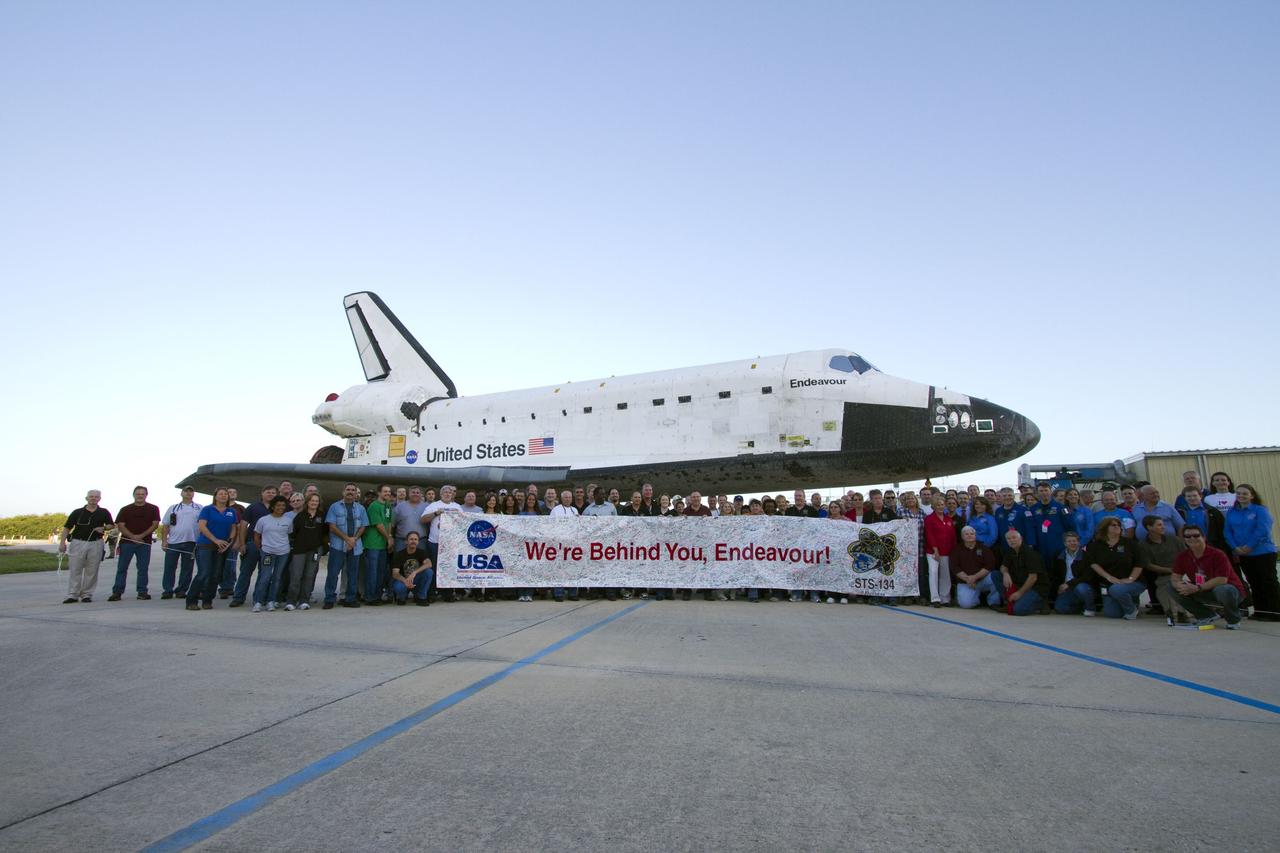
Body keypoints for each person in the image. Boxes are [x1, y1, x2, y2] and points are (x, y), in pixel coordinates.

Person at [1170, 524, 1245, 629]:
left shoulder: (1218, 554)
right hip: (1202, 589)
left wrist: (1197, 588)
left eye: (1196, 535)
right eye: (1188, 536)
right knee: (1170, 587)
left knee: (1225, 589)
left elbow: (1222, 580)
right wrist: (1180, 585)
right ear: (1184, 540)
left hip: (1229, 591)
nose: (1192, 538)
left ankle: (1233, 620)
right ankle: (1206, 616)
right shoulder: (1182, 556)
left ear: (1204, 537)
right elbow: (1175, 577)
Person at [1225, 485, 1278, 622]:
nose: (1241, 496)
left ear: (1252, 495)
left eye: (1245, 493)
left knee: (1268, 582)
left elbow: (1263, 530)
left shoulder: (1260, 510)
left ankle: (1275, 611)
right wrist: (1235, 547)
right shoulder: (1232, 512)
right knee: (1254, 582)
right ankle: (1261, 611)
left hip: (1263, 552)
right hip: (1244, 555)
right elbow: (1227, 531)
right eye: (1238, 493)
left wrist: (1249, 546)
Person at [187, 487, 240, 611]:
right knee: (204, 573)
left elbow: (233, 528)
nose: (223, 496)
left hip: (222, 548)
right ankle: (191, 600)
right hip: (206, 546)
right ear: (215, 496)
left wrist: (228, 543)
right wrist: (216, 540)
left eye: (225, 494)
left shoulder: (231, 511)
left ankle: (207, 600)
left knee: (216, 575)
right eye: (220, 494)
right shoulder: (207, 509)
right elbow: (202, 526)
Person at [58, 489, 114, 603]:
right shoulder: (77, 512)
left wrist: (103, 528)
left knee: (92, 570)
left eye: (96, 497)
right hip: (78, 542)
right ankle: (73, 594)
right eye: (91, 496)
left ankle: (87, 594)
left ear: (99, 499)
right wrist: (62, 542)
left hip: (96, 543)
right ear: (86, 498)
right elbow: (67, 528)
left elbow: (111, 525)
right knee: (75, 569)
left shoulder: (104, 512)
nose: (93, 498)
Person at [1086, 517, 1144, 620]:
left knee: (1117, 589)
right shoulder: (1095, 545)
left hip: (1132, 582)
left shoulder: (1130, 543)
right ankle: (1127, 601)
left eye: (1118, 525)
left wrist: (1131, 579)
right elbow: (1093, 564)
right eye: (1113, 525)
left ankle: (1131, 610)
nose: (1117, 527)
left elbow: (1139, 564)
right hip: (1108, 584)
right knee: (1112, 614)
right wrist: (1109, 577)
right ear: (1105, 528)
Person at [110, 486, 160, 601]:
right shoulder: (125, 509)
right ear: (134, 495)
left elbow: (155, 524)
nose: (140, 496)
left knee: (143, 568)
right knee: (122, 568)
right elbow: (121, 525)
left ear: (146, 495)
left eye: (142, 494)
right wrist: (133, 537)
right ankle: (117, 592)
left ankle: (142, 592)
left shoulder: (153, 508)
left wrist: (140, 536)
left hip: (144, 543)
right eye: (138, 494)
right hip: (127, 543)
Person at [230, 485, 277, 608]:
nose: (270, 494)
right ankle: (238, 597)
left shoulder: (277, 508)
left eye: (273, 493)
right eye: (268, 492)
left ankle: (259, 598)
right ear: (262, 493)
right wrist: (242, 543)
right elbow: (243, 525)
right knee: (245, 572)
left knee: (264, 574)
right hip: (252, 544)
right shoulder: (253, 507)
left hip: (269, 546)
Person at [323, 483, 369, 609]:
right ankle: (329, 599)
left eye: (353, 490)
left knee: (353, 574)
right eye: (348, 490)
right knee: (333, 573)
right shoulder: (334, 507)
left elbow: (364, 526)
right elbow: (332, 526)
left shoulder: (360, 508)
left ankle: (350, 598)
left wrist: (353, 539)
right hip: (338, 546)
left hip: (355, 545)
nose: (350, 492)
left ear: (356, 493)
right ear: (343, 492)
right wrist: (347, 539)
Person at [1138, 516, 1186, 624]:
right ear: (1149, 527)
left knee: (1177, 586)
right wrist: (1169, 570)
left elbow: (1186, 555)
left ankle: (1180, 612)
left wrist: (1180, 570)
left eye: (1163, 524)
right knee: (1165, 589)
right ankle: (1173, 612)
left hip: (1182, 573)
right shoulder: (1143, 545)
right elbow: (1148, 565)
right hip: (1163, 576)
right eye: (1159, 525)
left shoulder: (1174, 539)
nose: (1163, 527)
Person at [422, 485, 464, 601]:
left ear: (452, 495)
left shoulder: (457, 507)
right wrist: (435, 513)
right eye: (445, 492)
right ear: (441, 494)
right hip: (435, 542)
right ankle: (431, 593)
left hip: (450, 544)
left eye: (449, 492)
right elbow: (423, 519)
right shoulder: (434, 505)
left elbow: (463, 523)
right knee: (434, 568)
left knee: (449, 568)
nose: (447, 494)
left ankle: (448, 593)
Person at [251, 496, 293, 612]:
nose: (281, 507)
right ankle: (258, 601)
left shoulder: (288, 521)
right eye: (278, 505)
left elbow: (289, 534)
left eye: (283, 505)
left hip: (283, 552)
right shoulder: (263, 520)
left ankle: (271, 601)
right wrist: (261, 549)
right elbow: (256, 535)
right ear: (273, 506)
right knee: (265, 577)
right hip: (267, 552)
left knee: (277, 577)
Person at [285, 493, 326, 610]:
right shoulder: (299, 516)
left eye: (316, 501)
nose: (314, 503)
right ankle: (291, 601)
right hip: (299, 550)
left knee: (309, 575)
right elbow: (293, 533)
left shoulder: (321, 516)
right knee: (296, 575)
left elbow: (324, 533)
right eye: (312, 501)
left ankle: (304, 600)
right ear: (307, 502)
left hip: (315, 550)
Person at [160, 485, 202, 599]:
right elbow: (166, 525)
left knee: (187, 568)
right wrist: (164, 541)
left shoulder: (199, 508)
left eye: (191, 491)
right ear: (181, 493)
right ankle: (167, 590)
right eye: (186, 491)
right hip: (174, 542)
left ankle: (182, 590)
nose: (188, 493)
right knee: (170, 567)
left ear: (194, 494)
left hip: (191, 542)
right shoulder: (173, 508)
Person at [1000, 529, 1050, 615]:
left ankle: (1041, 604)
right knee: (996, 575)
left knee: (1019, 610)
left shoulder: (1030, 554)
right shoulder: (1011, 551)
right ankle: (1009, 602)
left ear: (1021, 539)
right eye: (1008, 539)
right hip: (1019, 583)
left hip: (1036, 588)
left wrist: (1019, 593)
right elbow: (1003, 566)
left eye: (1014, 538)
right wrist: (1005, 573)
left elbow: (1033, 577)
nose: (1011, 540)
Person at [952, 525, 1000, 609]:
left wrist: (974, 577)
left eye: (972, 534)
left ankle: (993, 602)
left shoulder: (984, 548)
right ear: (962, 537)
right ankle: (977, 600)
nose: (969, 535)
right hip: (966, 582)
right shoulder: (956, 550)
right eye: (966, 534)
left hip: (982, 579)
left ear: (975, 535)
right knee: (966, 604)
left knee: (996, 576)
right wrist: (968, 579)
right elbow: (955, 567)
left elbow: (989, 565)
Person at [362, 485, 393, 606]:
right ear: (379, 493)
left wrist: (389, 537)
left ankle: (377, 595)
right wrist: (388, 538)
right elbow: (379, 525)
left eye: (389, 492)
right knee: (372, 572)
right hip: (373, 544)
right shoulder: (374, 506)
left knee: (381, 572)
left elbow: (389, 522)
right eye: (385, 491)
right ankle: (370, 597)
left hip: (383, 545)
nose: (387, 493)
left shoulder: (388, 505)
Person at [1052, 530, 1095, 616]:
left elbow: (1087, 576)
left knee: (1081, 588)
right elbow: (1055, 575)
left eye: (1074, 541)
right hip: (1067, 589)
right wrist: (1058, 587)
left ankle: (1090, 608)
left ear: (1079, 542)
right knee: (1060, 608)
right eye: (1069, 541)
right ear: (1065, 543)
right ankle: (1080, 608)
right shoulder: (1059, 556)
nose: (1072, 543)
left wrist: (1069, 583)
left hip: (1082, 586)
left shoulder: (1086, 556)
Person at [896, 490, 928, 605]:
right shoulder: (901, 511)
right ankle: (907, 596)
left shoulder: (921, 513)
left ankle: (922, 596)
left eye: (912, 499)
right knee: (907, 573)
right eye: (908, 499)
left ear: (916, 500)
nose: (910, 500)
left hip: (920, 547)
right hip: (906, 549)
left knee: (921, 573)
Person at [1177, 485, 1229, 555]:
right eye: (1189, 496)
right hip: (1188, 547)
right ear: (1184, 498)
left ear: (1200, 496)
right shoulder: (1179, 512)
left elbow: (1222, 530)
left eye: (1195, 495)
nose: (1192, 498)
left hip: (1210, 546)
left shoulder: (1212, 511)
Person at [923, 494, 955, 606]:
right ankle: (935, 598)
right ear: (934, 506)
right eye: (938, 505)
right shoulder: (929, 519)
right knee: (933, 573)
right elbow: (929, 535)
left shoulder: (948, 519)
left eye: (942, 504)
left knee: (945, 575)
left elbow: (952, 536)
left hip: (946, 551)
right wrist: (935, 550)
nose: (940, 507)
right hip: (933, 552)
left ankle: (945, 598)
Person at [391, 532, 433, 606]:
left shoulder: (421, 552)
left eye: (415, 539)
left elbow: (429, 564)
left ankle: (421, 598)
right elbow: (395, 574)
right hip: (403, 581)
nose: (413, 541)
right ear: (406, 541)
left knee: (429, 572)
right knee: (398, 586)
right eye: (411, 539)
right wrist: (405, 581)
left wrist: (414, 573)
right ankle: (402, 598)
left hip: (415, 581)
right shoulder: (399, 554)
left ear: (418, 542)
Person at [218, 487, 245, 599]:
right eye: (230, 492)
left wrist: (239, 541)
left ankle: (227, 588)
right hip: (218, 541)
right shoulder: (218, 507)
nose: (232, 494)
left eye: (234, 492)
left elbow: (242, 526)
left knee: (230, 566)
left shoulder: (240, 508)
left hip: (233, 542)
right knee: (218, 566)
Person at [392, 486, 427, 551]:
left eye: (417, 492)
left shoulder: (426, 506)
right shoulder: (400, 506)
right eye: (413, 492)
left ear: (420, 494)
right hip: (402, 540)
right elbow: (393, 524)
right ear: (409, 494)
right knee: (399, 560)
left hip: (421, 540)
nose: (415, 494)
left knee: (420, 560)